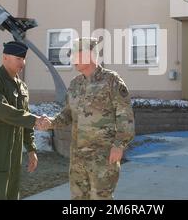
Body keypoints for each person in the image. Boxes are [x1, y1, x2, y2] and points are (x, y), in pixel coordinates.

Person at [48, 37, 135, 200]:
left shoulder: (111, 80)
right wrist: (50, 122)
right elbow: (68, 113)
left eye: (75, 54)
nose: (72, 59)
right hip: (77, 158)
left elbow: (125, 115)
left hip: (102, 157)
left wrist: (119, 145)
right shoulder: (75, 83)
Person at [0, 41, 51, 200]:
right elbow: (0, 109)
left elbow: (24, 118)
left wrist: (31, 149)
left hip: (14, 151)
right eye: (18, 58)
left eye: (24, 59)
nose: (22, 63)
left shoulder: (22, 86)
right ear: (5, 58)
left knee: (10, 193)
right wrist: (34, 120)